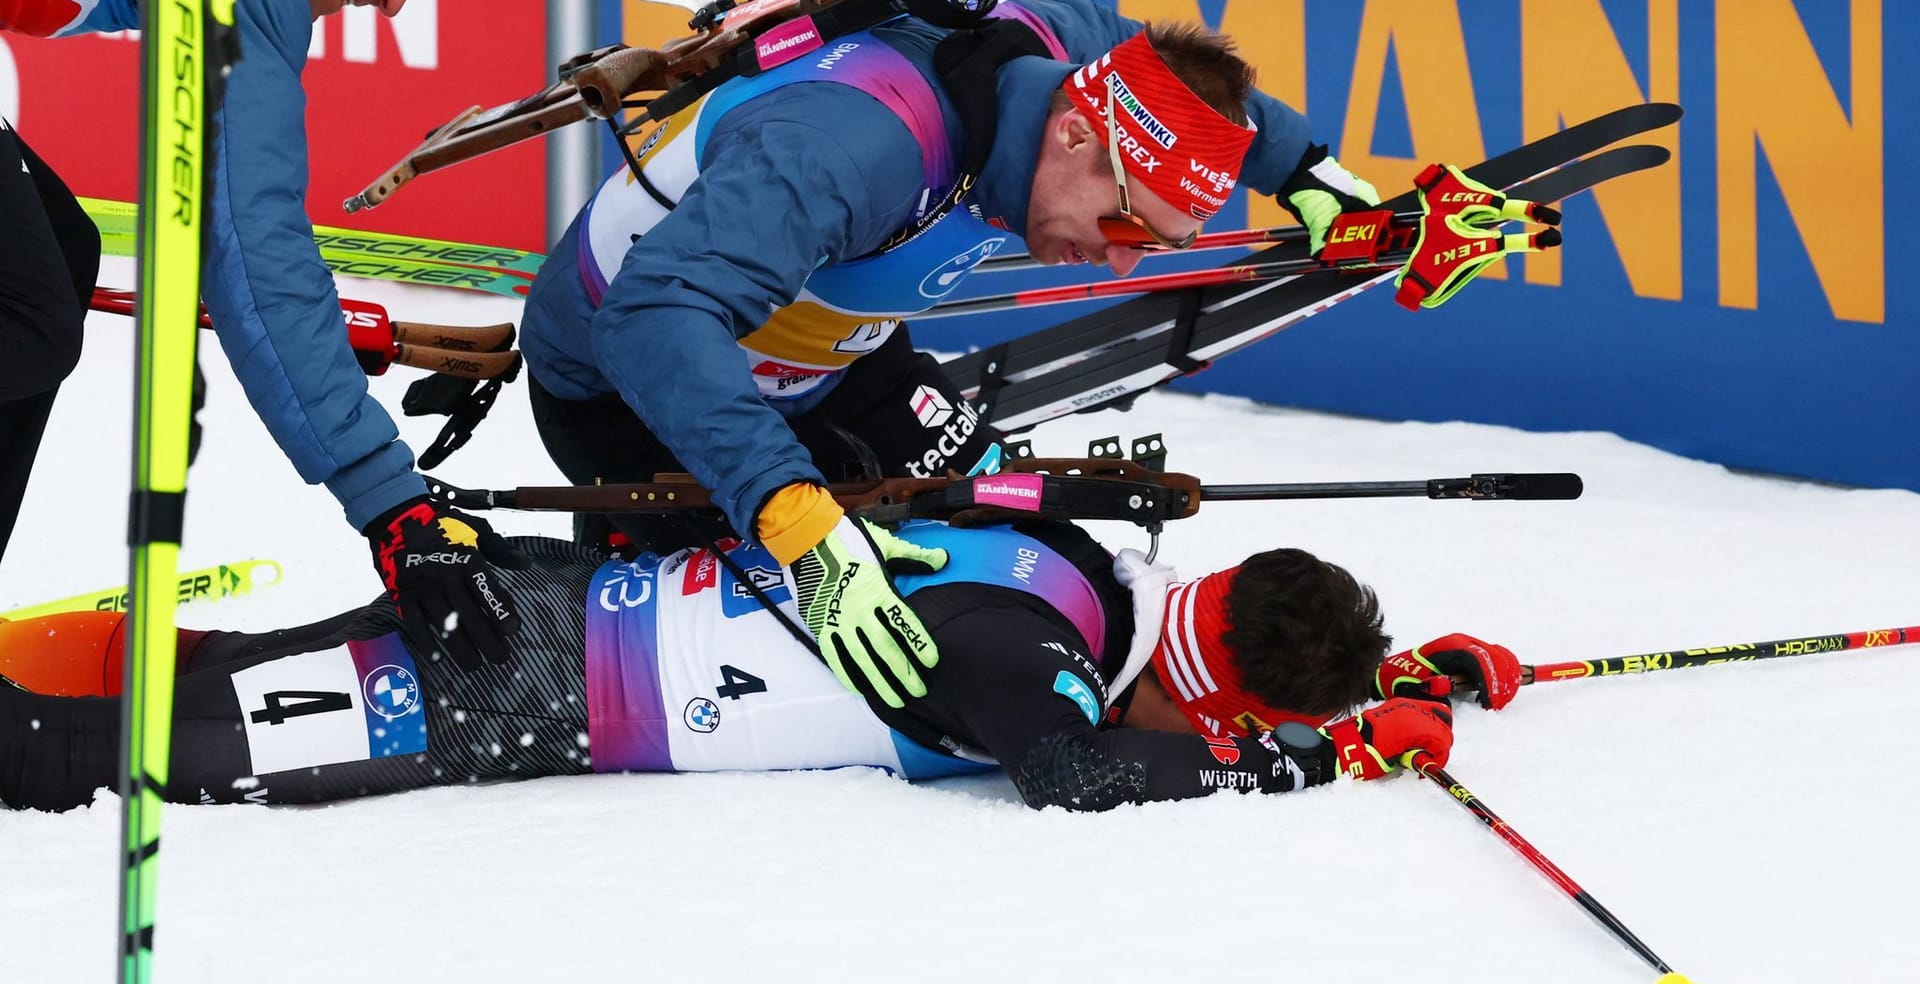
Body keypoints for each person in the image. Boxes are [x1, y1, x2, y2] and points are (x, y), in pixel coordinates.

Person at [517, 0, 1383, 709]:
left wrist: (1308, 171)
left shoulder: (1066, 61)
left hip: (833, 351)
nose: (1122, 260)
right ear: (1077, 134)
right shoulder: (854, 148)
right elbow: (653, 317)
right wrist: (798, 519)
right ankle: (631, 546)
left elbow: (1186, 80)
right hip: (632, 394)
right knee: (879, 622)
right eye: (1125, 224)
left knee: (1010, 525)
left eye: (1154, 244)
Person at [0, 518, 1518, 813]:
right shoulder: (1035, 654)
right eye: (1221, 719)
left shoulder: (1098, 576)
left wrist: (1401, 688)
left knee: (185, 701)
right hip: (520, 686)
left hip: (552, 636)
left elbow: (1193, 682)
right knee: (86, 763)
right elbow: (1074, 767)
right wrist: (1300, 759)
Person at [0, 0, 523, 674]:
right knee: (30, 315)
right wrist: (393, 508)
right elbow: (246, 234)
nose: (396, 0)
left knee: (59, 259)